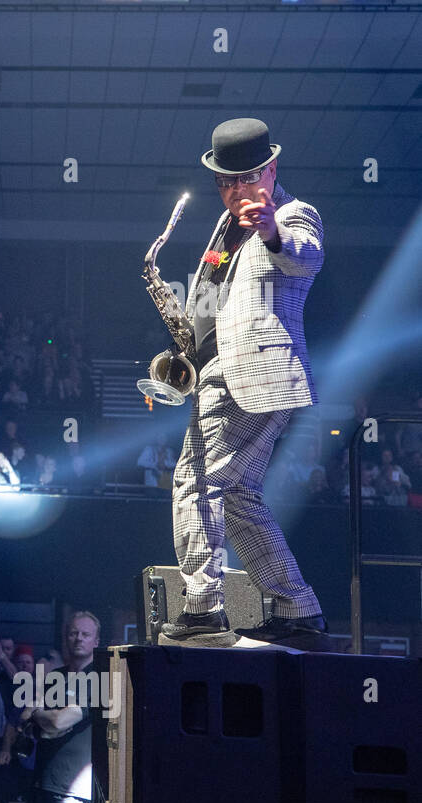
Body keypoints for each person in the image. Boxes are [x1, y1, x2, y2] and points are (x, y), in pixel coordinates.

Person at [161, 118, 328, 650]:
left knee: (201, 485)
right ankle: (294, 605)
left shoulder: (293, 214)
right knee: (234, 493)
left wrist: (271, 230)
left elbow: (304, 257)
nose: (235, 189)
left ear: (271, 168)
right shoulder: (222, 225)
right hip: (210, 372)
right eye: (225, 181)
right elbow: (211, 296)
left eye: (246, 177)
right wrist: (183, 349)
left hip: (250, 374)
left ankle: (203, 605)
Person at [19, 611, 99, 803]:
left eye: (86, 634)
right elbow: (24, 717)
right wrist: (40, 716)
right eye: (74, 633)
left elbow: (57, 722)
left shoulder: (101, 679)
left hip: (71, 795)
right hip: (41, 788)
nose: (79, 639)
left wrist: (40, 714)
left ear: (96, 641)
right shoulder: (55, 677)